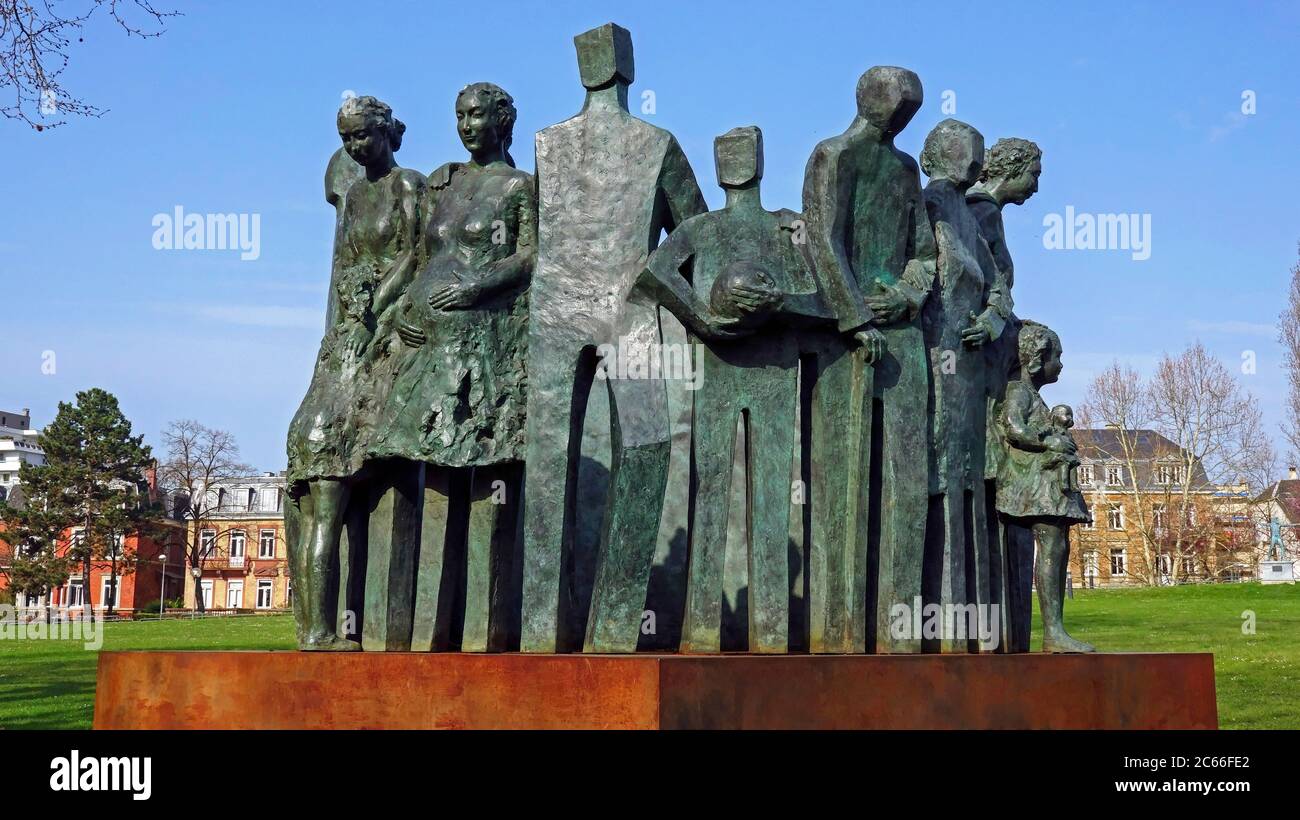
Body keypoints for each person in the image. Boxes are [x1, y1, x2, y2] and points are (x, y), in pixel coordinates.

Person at [635, 126, 835, 653]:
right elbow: (653, 274)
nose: (734, 163)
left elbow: (825, 302)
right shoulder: (700, 229)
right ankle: (700, 628)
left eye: (743, 153)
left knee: (771, 498)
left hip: (773, 371)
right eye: (724, 154)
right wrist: (701, 316)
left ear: (761, 161)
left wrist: (777, 306)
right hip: (717, 371)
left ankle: (769, 630)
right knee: (709, 492)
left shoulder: (788, 228)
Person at [368, 82, 535, 652]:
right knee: (424, 481)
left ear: (502, 120)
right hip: (423, 350)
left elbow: (533, 255)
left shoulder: (520, 187)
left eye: (477, 116)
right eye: (459, 115)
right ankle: (414, 637)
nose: (466, 125)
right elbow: (420, 256)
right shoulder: (445, 182)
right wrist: (395, 317)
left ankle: (482, 639)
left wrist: (477, 285)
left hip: (485, 349)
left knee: (489, 485)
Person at [801, 66, 936, 653]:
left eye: (913, 106)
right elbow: (821, 240)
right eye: (897, 100)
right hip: (843, 339)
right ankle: (840, 634)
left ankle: (900, 633)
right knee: (844, 488)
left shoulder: (908, 171)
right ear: (867, 97)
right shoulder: (834, 156)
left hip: (902, 335)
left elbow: (924, 253)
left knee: (906, 483)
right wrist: (854, 317)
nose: (904, 111)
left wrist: (906, 295)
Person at [285, 95, 426, 650]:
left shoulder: (406, 186)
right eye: (346, 138)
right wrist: (353, 315)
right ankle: (317, 631)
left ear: (387, 133)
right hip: (346, 341)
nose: (353, 147)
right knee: (319, 498)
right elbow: (345, 263)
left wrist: (375, 309)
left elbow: (414, 255)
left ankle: (324, 630)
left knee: (330, 495)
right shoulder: (351, 192)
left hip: (381, 329)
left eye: (362, 136)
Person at [919, 118, 1008, 652]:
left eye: (977, 154)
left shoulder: (968, 216)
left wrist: (994, 318)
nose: (975, 162)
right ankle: (937, 621)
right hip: (927, 361)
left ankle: (969, 626)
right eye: (966, 152)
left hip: (969, 366)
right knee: (937, 478)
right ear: (939, 154)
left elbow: (998, 286)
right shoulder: (923, 205)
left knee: (968, 481)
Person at [996, 320, 1094, 653]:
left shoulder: (1034, 396)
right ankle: (1053, 632)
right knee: (1052, 543)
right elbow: (1013, 427)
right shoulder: (1017, 390)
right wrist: (1049, 440)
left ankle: (1055, 630)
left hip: (1042, 483)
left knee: (1057, 545)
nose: (1062, 364)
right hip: (1028, 485)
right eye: (1057, 356)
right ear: (1037, 358)